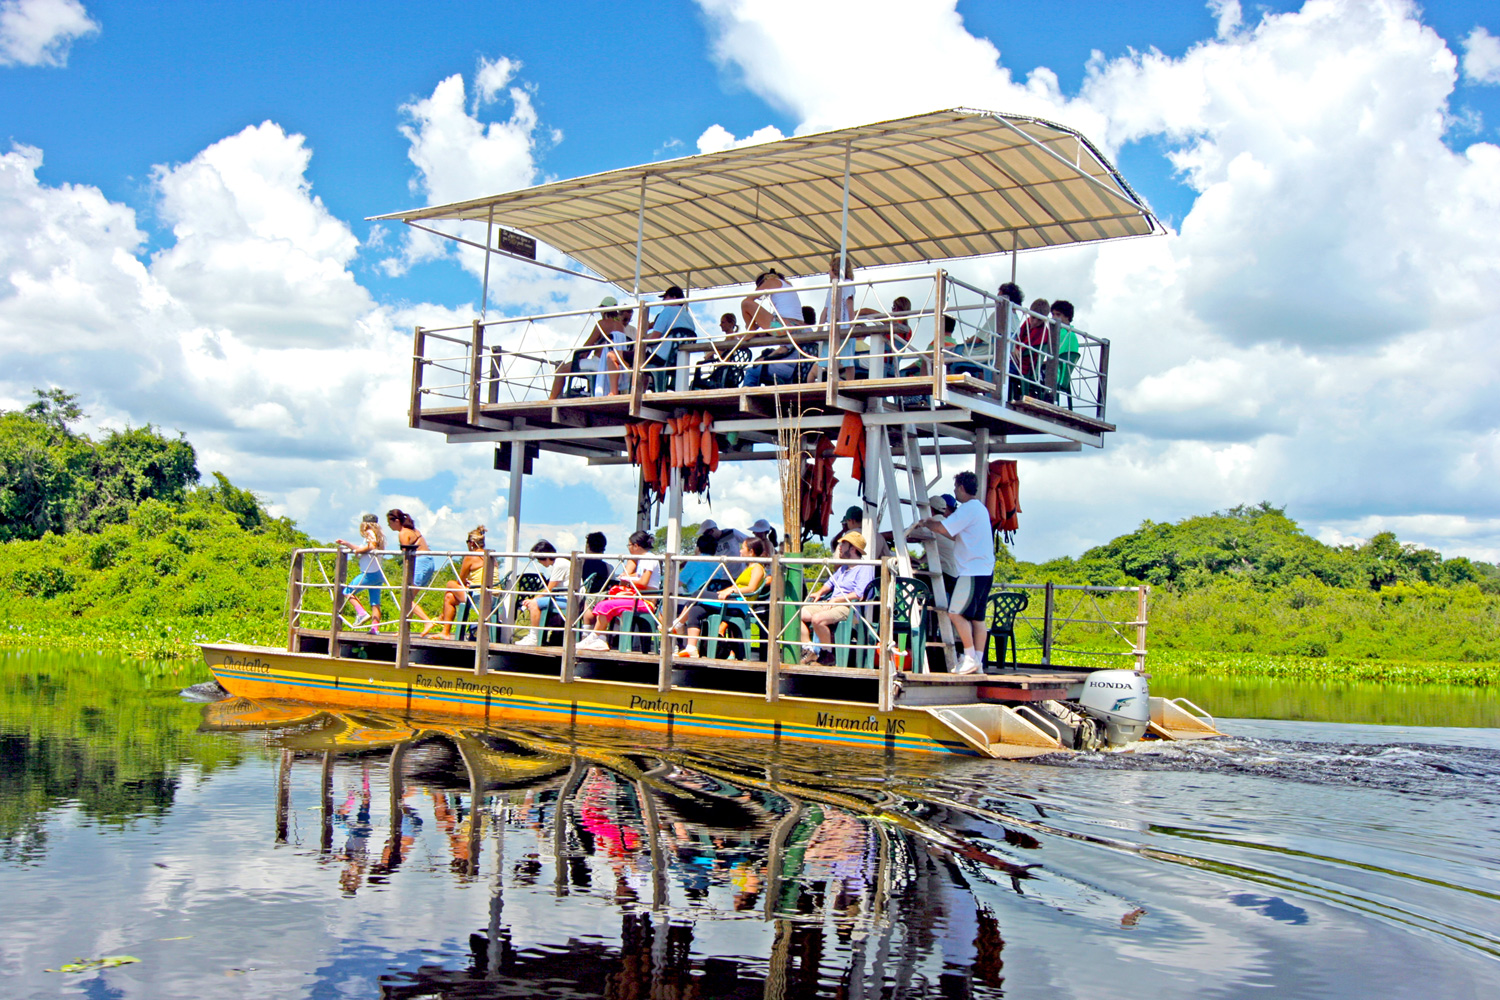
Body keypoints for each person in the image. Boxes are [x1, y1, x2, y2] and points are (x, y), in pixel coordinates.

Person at [912, 471, 993, 674]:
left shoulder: (967, 509)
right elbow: (955, 535)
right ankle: (978, 662)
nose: (955, 491)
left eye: (956, 487)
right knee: (978, 619)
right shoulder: (980, 509)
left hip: (970, 571)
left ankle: (969, 656)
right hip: (984, 570)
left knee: (954, 613)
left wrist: (926, 522)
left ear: (963, 488)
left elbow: (942, 528)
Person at [675, 536, 769, 660]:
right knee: (695, 610)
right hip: (732, 601)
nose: (740, 551)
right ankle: (691, 648)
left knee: (697, 593)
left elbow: (751, 588)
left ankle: (678, 624)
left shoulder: (757, 568)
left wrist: (732, 589)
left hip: (739, 604)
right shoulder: (749, 567)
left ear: (751, 551)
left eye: (743, 548)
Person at [576, 531, 661, 652]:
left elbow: (643, 582)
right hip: (638, 599)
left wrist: (626, 578)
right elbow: (639, 576)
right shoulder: (644, 559)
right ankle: (599, 637)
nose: (629, 548)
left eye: (629, 545)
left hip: (645, 602)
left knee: (605, 605)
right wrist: (628, 576)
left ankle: (597, 637)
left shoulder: (649, 558)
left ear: (636, 546)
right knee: (607, 601)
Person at [798, 532, 874, 666]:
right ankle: (809, 649)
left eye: (843, 544)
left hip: (850, 608)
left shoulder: (865, 567)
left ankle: (827, 654)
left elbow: (859, 594)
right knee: (797, 615)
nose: (839, 547)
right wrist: (819, 592)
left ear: (853, 549)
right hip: (832, 604)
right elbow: (830, 583)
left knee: (817, 619)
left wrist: (835, 601)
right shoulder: (843, 568)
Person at [668, 532, 735, 658]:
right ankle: (687, 641)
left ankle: (673, 643)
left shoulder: (695, 561)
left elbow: (677, 583)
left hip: (696, 599)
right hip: (712, 601)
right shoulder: (718, 563)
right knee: (691, 608)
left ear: (698, 548)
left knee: (666, 607)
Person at [549, 297, 631, 399]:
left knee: (561, 371)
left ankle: (551, 399)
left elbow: (587, 346)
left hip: (599, 364)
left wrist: (581, 356)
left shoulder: (602, 324)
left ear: (604, 309)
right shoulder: (621, 327)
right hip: (614, 366)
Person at [386, 509, 436, 633]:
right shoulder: (414, 530)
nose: (388, 525)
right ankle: (404, 629)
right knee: (409, 598)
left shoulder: (403, 533)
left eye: (389, 522)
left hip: (420, 562)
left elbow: (406, 554)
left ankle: (427, 621)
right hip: (428, 561)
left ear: (396, 521)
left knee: (407, 598)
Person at [514, 540, 571, 646]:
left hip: (569, 600)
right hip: (568, 598)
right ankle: (537, 636)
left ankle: (534, 637)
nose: (539, 562)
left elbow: (549, 589)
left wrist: (533, 600)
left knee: (534, 604)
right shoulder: (561, 562)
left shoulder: (559, 564)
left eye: (539, 559)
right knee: (536, 602)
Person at [335, 514, 385, 633]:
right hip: (378, 573)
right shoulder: (379, 535)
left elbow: (371, 546)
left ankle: (362, 613)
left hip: (369, 573)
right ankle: (375, 628)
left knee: (347, 591)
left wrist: (358, 551)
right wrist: (348, 544)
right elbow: (365, 547)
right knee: (375, 602)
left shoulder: (370, 532)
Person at [438, 526, 488, 639]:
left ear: (471, 543)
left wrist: (465, 584)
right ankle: (444, 632)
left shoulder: (471, 556)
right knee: (449, 597)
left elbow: (460, 581)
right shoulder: (491, 556)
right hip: (493, 594)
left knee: (450, 584)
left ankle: (443, 618)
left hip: (479, 595)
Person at [1012, 297, 1051, 400]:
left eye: (1039, 320)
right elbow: (1018, 338)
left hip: (1026, 366)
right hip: (1017, 359)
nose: (1034, 322)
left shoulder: (1042, 331)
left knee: (997, 365)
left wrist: (1015, 348)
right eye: (1033, 317)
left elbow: (1024, 347)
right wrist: (1014, 347)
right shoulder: (1027, 322)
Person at [1050, 299, 1080, 401]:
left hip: (1055, 374)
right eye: (1053, 314)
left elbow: (1054, 357)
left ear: (1067, 317)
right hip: (1063, 377)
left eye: (1058, 315)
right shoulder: (1072, 334)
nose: (1054, 317)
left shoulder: (1063, 333)